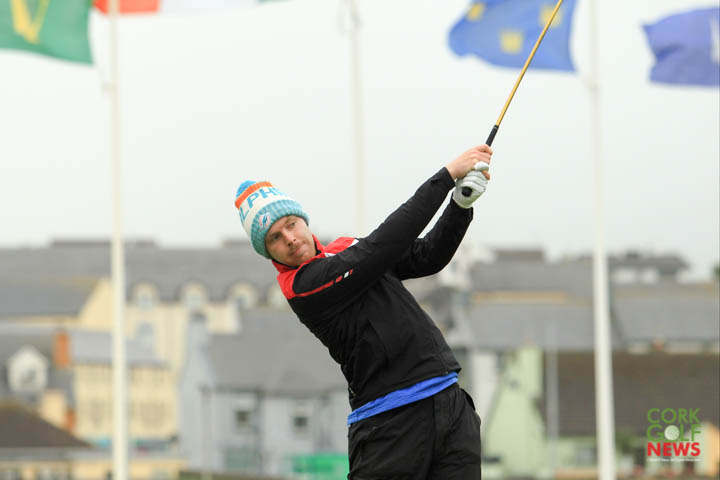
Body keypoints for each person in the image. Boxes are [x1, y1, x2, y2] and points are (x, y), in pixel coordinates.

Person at [234, 144, 492, 479]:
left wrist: (459, 205)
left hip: (449, 406)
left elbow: (428, 256)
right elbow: (384, 245)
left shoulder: (346, 249)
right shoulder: (302, 285)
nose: (290, 239)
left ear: (303, 220)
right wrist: (445, 178)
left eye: (291, 224)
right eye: (275, 238)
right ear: (269, 253)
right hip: (389, 426)